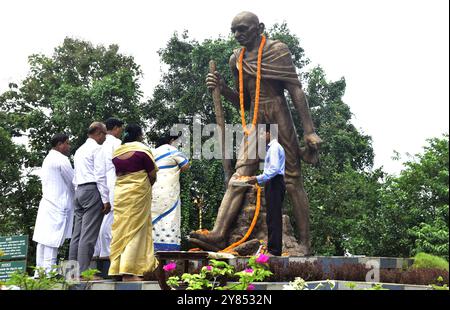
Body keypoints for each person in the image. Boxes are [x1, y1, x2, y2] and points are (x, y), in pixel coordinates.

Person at [191, 11, 322, 255]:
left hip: (278, 112)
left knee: (292, 180)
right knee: (240, 175)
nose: (238, 35)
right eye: (234, 30)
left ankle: (304, 243)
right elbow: (243, 99)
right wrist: (221, 88)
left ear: (259, 27)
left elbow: (296, 91)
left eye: (243, 29)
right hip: (254, 118)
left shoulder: (278, 50)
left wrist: (309, 131)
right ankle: (219, 234)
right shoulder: (236, 59)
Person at [108, 124, 158, 282]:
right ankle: (129, 273)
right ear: (139, 135)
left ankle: (116, 268)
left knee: (121, 230)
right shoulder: (142, 150)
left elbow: (119, 173)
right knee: (136, 231)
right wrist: (145, 185)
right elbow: (152, 174)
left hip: (120, 193)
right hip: (138, 193)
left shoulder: (117, 152)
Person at [69, 122, 110, 277]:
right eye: (105, 134)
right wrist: (105, 199)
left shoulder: (79, 150)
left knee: (77, 235)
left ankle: (70, 273)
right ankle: (84, 273)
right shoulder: (97, 149)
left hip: (79, 190)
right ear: (98, 132)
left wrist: (78, 193)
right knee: (89, 235)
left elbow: (75, 176)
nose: (105, 137)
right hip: (92, 190)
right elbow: (100, 175)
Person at [32, 133, 74, 275]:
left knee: (43, 240)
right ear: (59, 144)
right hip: (58, 204)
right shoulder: (62, 160)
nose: (69, 146)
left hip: (47, 203)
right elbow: (73, 182)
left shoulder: (48, 159)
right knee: (52, 240)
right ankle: (49, 272)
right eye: (67, 143)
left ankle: (40, 272)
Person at [246, 125, 285, 256]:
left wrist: (257, 178)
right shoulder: (271, 148)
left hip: (275, 182)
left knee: (274, 217)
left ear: (269, 133)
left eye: (263, 134)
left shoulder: (274, 148)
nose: (261, 137)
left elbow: (273, 170)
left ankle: (275, 251)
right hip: (271, 182)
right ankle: (272, 248)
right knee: (271, 217)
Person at [151, 133, 190, 251]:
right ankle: (169, 250)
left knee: (153, 217)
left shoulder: (152, 152)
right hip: (169, 191)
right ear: (172, 140)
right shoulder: (171, 150)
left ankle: (152, 247)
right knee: (170, 216)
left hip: (153, 190)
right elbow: (185, 165)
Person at [93, 118, 124, 259]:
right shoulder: (117, 144)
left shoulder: (100, 144)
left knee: (104, 220)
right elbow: (122, 165)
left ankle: (101, 251)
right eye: (121, 129)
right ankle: (107, 253)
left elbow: (99, 172)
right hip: (116, 184)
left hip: (102, 185)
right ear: (116, 128)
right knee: (112, 220)